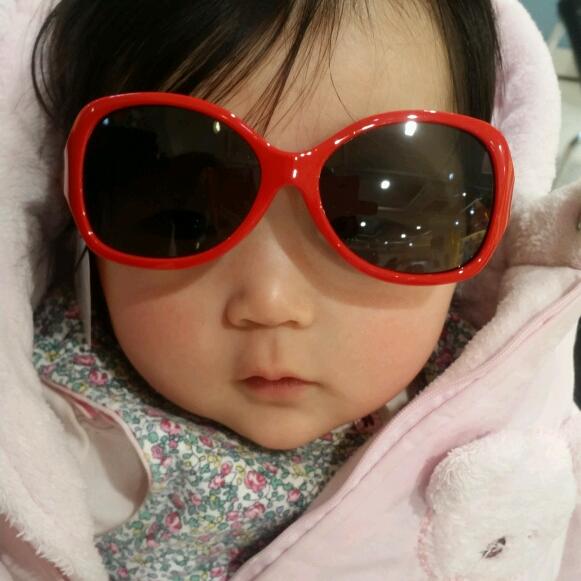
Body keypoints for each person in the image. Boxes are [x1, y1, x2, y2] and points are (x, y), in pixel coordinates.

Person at [0, 0, 580, 579]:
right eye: (183, 215)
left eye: (375, 222)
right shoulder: (63, 434)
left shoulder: (508, 414)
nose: (271, 302)